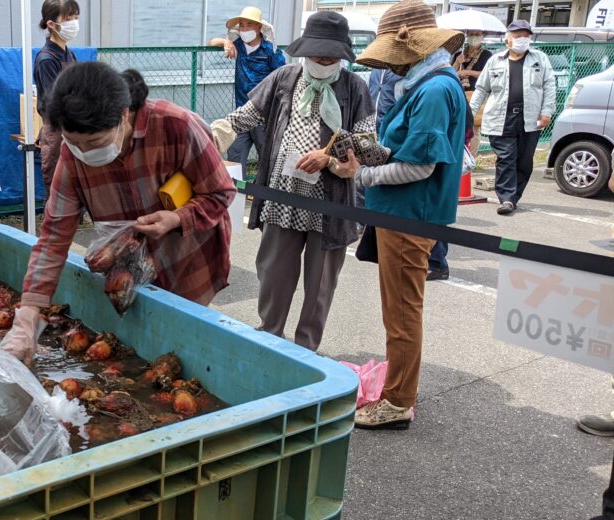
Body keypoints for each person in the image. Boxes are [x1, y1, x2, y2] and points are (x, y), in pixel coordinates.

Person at [0, 62, 236, 363]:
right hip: (126, 269)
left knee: (185, 352)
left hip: (186, 260)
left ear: (124, 115)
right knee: (138, 351)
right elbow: (53, 239)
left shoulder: (176, 125)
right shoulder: (72, 158)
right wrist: (27, 317)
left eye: (94, 142)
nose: (84, 152)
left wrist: (177, 218)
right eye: (74, 142)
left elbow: (221, 192)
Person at [329, 0, 466, 429]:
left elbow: (420, 166)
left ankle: (398, 401)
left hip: (410, 216)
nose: (390, 63)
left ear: (410, 47)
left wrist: (362, 173)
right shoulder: (429, 84)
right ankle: (399, 389)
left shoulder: (433, 91)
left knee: (403, 312)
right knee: (400, 309)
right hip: (403, 214)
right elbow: (411, 152)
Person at [209, 12, 373, 352]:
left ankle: (306, 351)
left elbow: (367, 142)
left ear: (342, 55)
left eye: (331, 56)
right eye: (317, 54)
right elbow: (245, 116)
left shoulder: (355, 87)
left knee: (320, 284)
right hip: (282, 197)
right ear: (304, 51)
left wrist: (332, 159)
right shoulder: (284, 78)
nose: (323, 61)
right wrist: (208, 136)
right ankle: (270, 341)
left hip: (329, 203)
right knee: (273, 275)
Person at [470, 20, 556, 216]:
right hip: (501, 117)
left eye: (526, 36)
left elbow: (550, 86)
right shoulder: (495, 60)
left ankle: (514, 197)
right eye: (518, 36)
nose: (522, 40)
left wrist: (547, 112)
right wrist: (470, 113)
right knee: (506, 157)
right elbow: (482, 88)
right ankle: (507, 198)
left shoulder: (539, 59)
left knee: (524, 161)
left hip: (530, 117)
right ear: (507, 39)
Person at [208, 7, 285, 168]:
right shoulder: (239, 46)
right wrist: (226, 42)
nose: (244, 29)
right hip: (241, 111)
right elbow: (211, 42)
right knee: (235, 158)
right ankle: (236, 192)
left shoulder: (270, 50)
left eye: (249, 25)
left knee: (268, 158)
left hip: (263, 115)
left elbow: (282, 78)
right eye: (241, 25)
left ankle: (264, 192)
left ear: (259, 27)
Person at [34, 0, 80, 195]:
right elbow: (55, 102)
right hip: (57, 129)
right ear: (51, 24)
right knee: (57, 186)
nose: (74, 23)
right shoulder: (46, 59)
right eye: (68, 19)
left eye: (76, 18)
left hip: (74, 127)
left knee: (76, 185)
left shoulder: (70, 55)